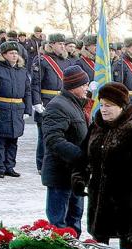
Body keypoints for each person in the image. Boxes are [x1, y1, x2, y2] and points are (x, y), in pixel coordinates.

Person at [72, 82, 132, 249]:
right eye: (102, 105)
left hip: (125, 201)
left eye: (110, 106)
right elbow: (83, 156)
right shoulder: (96, 126)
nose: (104, 109)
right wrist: (79, 177)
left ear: (121, 106)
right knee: (99, 247)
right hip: (98, 199)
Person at [41, 65, 90, 237]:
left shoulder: (75, 104)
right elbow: (54, 140)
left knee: (74, 220)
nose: (87, 88)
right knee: (59, 225)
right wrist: (81, 156)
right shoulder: (58, 106)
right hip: (61, 176)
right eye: (84, 85)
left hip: (75, 175)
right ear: (74, 86)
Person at [0, 41, 32, 179]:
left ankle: (10, 166)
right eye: (11, 53)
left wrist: (27, 110)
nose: (14, 55)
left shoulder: (23, 71)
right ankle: (0, 167)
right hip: (2, 108)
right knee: (1, 140)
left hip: (17, 108)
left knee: (13, 139)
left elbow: (27, 92)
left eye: (16, 53)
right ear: (4, 55)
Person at [32, 34, 70, 173]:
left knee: (62, 134)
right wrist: (36, 102)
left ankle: (58, 162)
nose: (62, 46)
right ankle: (42, 164)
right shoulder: (41, 60)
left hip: (63, 102)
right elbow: (35, 84)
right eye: (59, 43)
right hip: (47, 101)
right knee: (44, 136)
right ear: (51, 44)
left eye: (63, 44)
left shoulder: (66, 61)